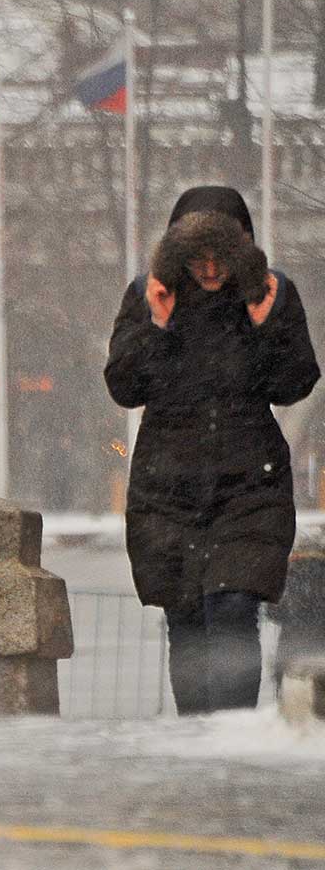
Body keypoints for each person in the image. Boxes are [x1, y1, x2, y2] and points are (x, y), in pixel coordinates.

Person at [105, 185, 320, 714]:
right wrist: (156, 325)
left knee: (231, 607)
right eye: (196, 258)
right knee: (187, 621)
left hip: (250, 486)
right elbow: (125, 386)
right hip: (166, 490)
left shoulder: (270, 294)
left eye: (219, 258)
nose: (208, 270)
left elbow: (294, 383)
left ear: (239, 252)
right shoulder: (149, 295)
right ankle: (196, 732)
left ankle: (233, 729)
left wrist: (266, 326)